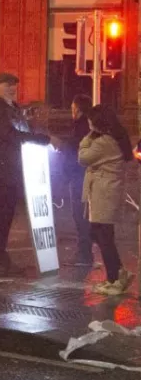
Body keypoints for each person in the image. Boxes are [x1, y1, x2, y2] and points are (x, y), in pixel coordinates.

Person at [0, 73, 54, 276]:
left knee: (5, 215)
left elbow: (19, 129)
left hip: (11, 170)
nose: (12, 89)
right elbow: (10, 134)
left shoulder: (11, 108)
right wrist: (41, 139)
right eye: (7, 85)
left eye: (14, 86)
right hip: (0, 171)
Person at [78, 105, 134, 295]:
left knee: (103, 236)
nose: (89, 122)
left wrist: (87, 138)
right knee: (103, 234)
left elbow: (83, 157)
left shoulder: (104, 142)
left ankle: (114, 279)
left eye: (91, 120)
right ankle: (118, 274)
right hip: (108, 191)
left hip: (104, 192)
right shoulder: (116, 138)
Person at [64, 94, 94, 267]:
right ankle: (85, 252)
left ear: (78, 109)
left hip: (79, 176)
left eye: (73, 109)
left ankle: (84, 254)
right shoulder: (88, 126)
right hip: (82, 175)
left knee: (80, 214)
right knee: (83, 214)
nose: (71, 112)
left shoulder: (80, 127)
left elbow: (74, 149)